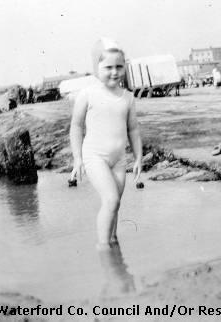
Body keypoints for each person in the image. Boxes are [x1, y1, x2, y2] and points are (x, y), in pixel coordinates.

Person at [69, 38, 142, 249]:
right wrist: (77, 158)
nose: (114, 72)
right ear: (96, 68)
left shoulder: (128, 97)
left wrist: (138, 157)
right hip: (95, 157)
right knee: (111, 200)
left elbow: (133, 129)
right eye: (108, 67)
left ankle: (113, 243)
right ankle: (103, 249)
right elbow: (76, 126)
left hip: (119, 160)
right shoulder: (87, 94)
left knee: (114, 205)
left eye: (119, 66)